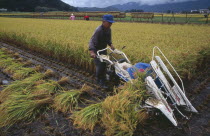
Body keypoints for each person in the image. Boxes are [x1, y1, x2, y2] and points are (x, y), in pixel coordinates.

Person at [88, 14, 115, 88]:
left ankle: (103, 79)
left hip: (103, 49)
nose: (110, 24)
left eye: (111, 23)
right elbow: (92, 41)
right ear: (103, 21)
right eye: (109, 22)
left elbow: (108, 39)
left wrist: (111, 44)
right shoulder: (98, 30)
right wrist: (92, 52)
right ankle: (99, 81)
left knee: (104, 65)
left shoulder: (109, 29)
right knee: (99, 66)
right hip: (97, 50)